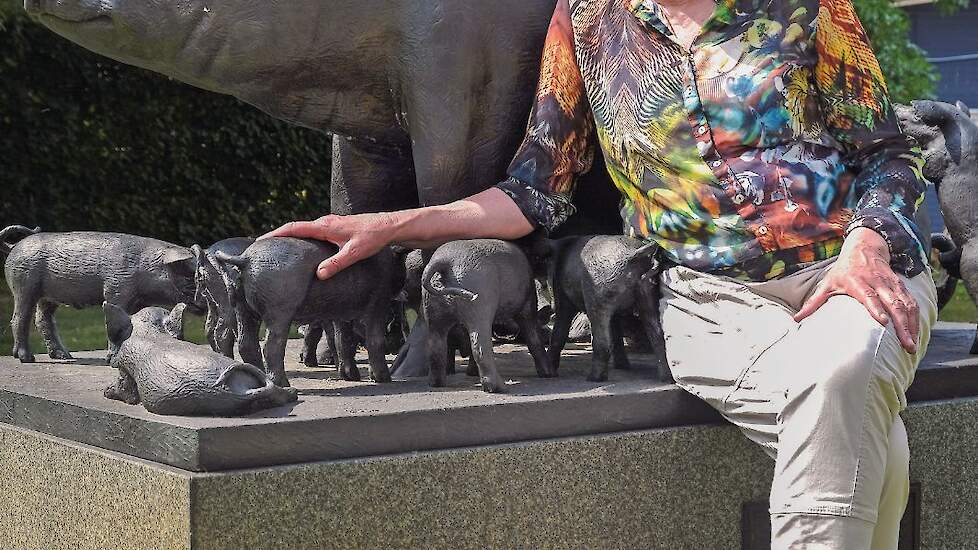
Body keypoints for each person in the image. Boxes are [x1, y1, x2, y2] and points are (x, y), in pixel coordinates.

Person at [263, 0, 936, 547]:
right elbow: (535, 192)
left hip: (850, 273)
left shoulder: (808, 8)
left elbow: (889, 153)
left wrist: (868, 243)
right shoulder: (588, 24)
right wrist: (392, 225)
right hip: (711, 301)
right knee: (866, 431)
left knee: (845, 376)